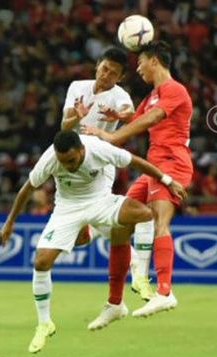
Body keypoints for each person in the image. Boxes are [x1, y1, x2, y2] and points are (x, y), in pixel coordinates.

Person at [0, 131, 186, 353]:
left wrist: (167, 180)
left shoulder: (98, 149)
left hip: (100, 201)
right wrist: (9, 223)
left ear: (81, 150)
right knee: (41, 262)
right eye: (62, 161)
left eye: (71, 160)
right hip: (67, 209)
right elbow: (27, 189)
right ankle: (44, 323)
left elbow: (135, 162)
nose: (66, 166)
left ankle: (141, 278)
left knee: (144, 214)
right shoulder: (50, 158)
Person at [81, 41, 194, 317]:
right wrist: (118, 116)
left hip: (170, 163)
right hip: (153, 165)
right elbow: (137, 115)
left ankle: (165, 292)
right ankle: (115, 302)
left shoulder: (174, 90)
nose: (139, 68)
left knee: (160, 223)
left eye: (141, 62)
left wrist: (112, 136)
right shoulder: (154, 94)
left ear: (154, 60)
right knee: (120, 223)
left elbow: (151, 119)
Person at [60, 47, 156, 302]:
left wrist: (120, 116)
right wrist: (76, 118)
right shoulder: (77, 87)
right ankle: (96, 235)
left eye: (113, 73)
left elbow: (131, 114)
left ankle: (137, 269)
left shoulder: (119, 95)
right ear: (97, 65)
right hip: (72, 164)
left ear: (120, 78)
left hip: (101, 163)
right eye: (104, 69)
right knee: (82, 234)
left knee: (98, 212)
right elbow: (64, 126)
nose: (106, 75)